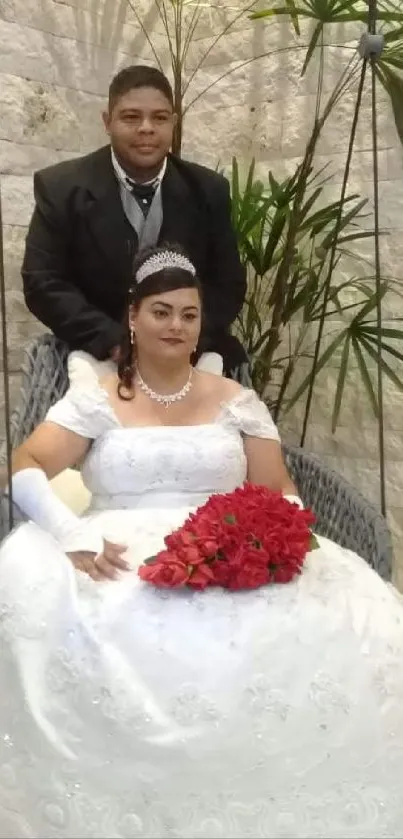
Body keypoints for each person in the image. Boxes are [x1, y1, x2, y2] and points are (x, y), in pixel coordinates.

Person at [1, 244, 403, 839]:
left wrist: (282, 541)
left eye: (188, 314)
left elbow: (278, 488)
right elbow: (25, 464)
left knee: (355, 622)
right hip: (116, 549)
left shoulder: (237, 401)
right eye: (161, 312)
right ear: (132, 317)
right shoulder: (97, 398)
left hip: (230, 542)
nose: (176, 326)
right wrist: (69, 533)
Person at [21, 64, 247, 380]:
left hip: (188, 352)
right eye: (130, 117)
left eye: (159, 117)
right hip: (97, 349)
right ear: (107, 121)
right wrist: (113, 341)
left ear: (173, 123)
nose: (146, 128)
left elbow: (228, 284)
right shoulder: (61, 188)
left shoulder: (209, 190)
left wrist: (182, 339)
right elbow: (42, 281)